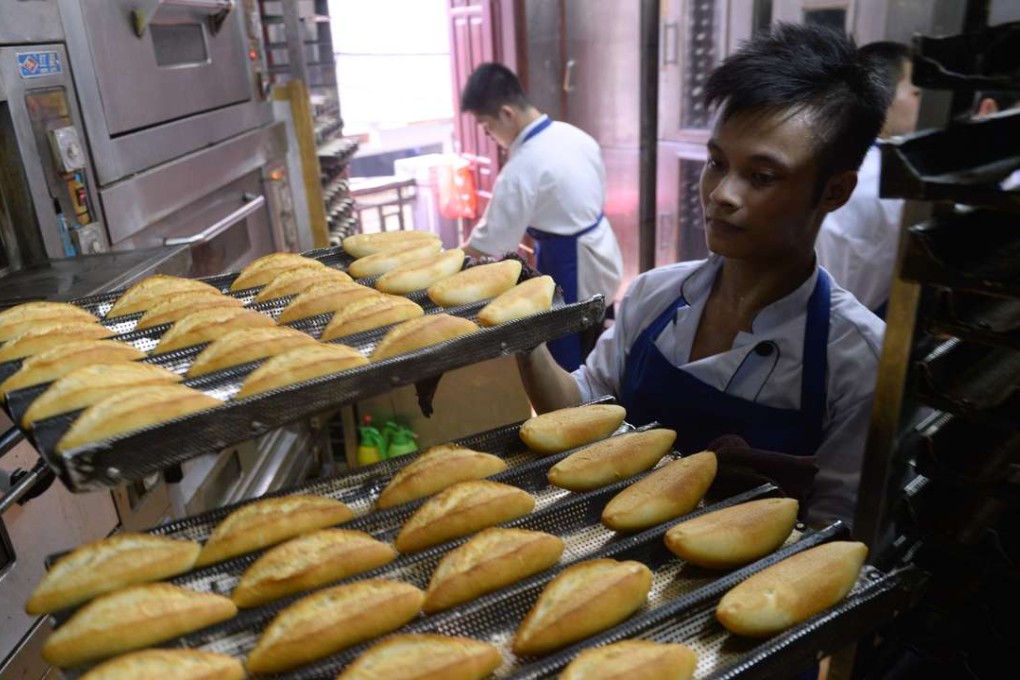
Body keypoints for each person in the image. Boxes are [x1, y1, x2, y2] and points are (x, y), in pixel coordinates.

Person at [516, 22, 890, 530]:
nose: (721, 194)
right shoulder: (652, 296)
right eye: (717, 162)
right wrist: (524, 339)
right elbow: (578, 412)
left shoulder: (857, 361)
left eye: (761, 176)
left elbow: (836, 533)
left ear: (834, 191)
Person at [458, 63, 624, 372]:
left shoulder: (522, 168)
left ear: (507, 114)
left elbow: (488, 245)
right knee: (596, 342)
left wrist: (446, 263)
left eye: (486, 126)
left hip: (569, 265)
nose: (488, 135)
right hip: (602, 249)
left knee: (568, 362)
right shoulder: (574, 135)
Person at [815, 41, 921, 319]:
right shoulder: (895, 176)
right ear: (881, 94)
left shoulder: (822, 154)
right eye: (917, 93)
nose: (925, 104)